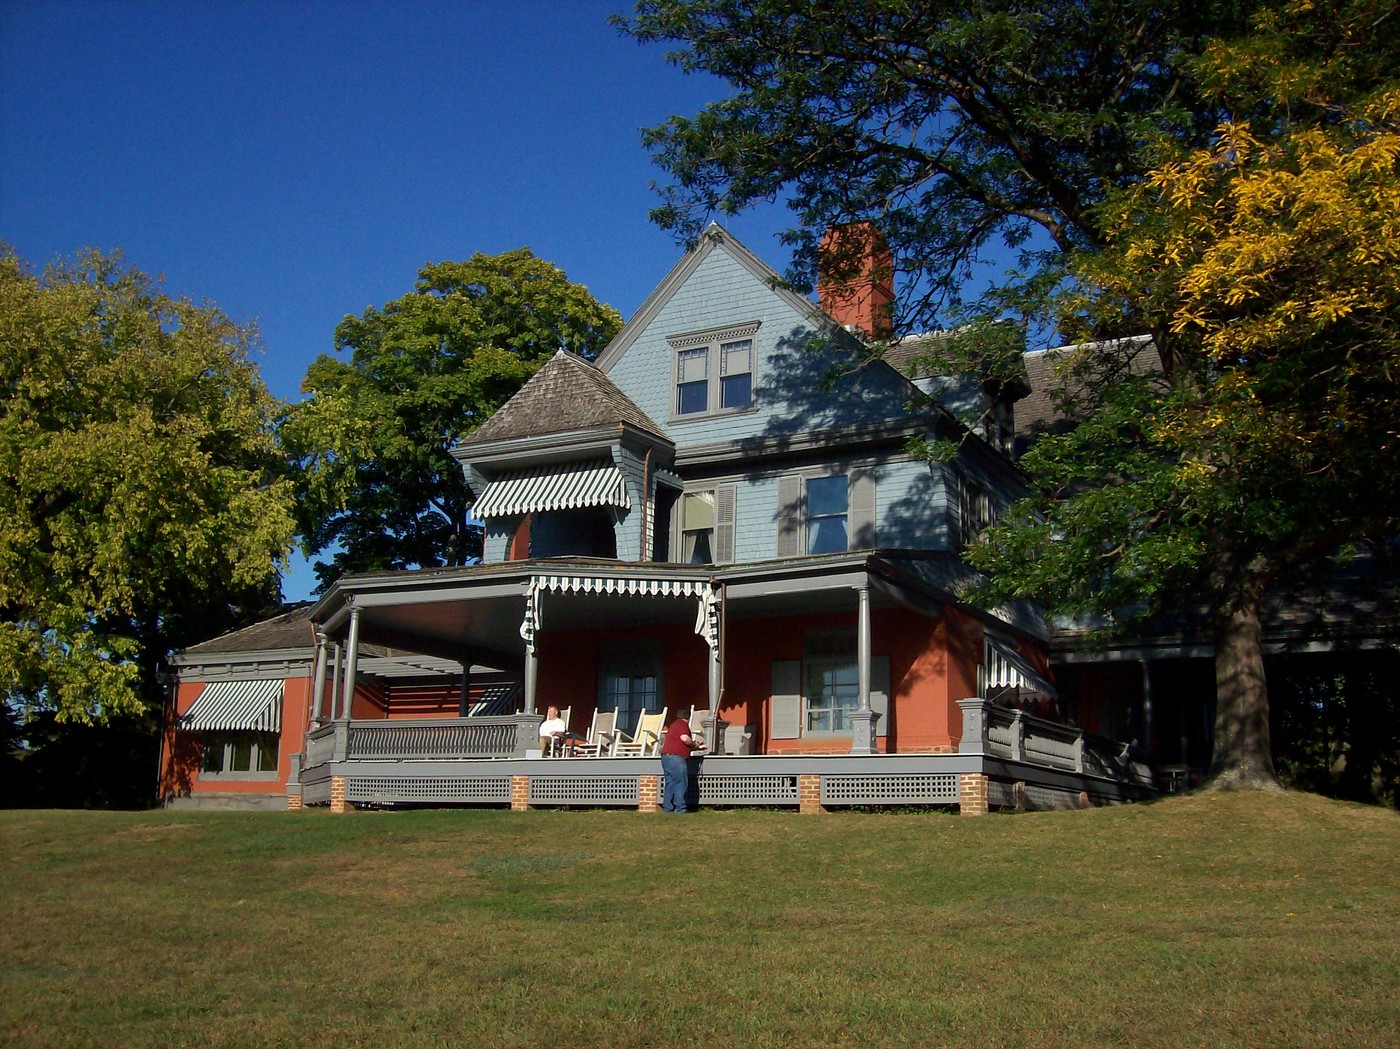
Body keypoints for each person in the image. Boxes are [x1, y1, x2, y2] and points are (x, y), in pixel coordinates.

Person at [660, 711, 706, 812]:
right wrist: (695, 745)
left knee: (670, 783)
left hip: (665, 757)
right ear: (688, 718)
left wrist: (696, 747)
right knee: (681, 783)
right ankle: (680, 808)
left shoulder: (673, 725)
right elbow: (685, 739)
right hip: (676, 759)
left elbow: (681, 745)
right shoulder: (682, 724)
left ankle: (667, 808)